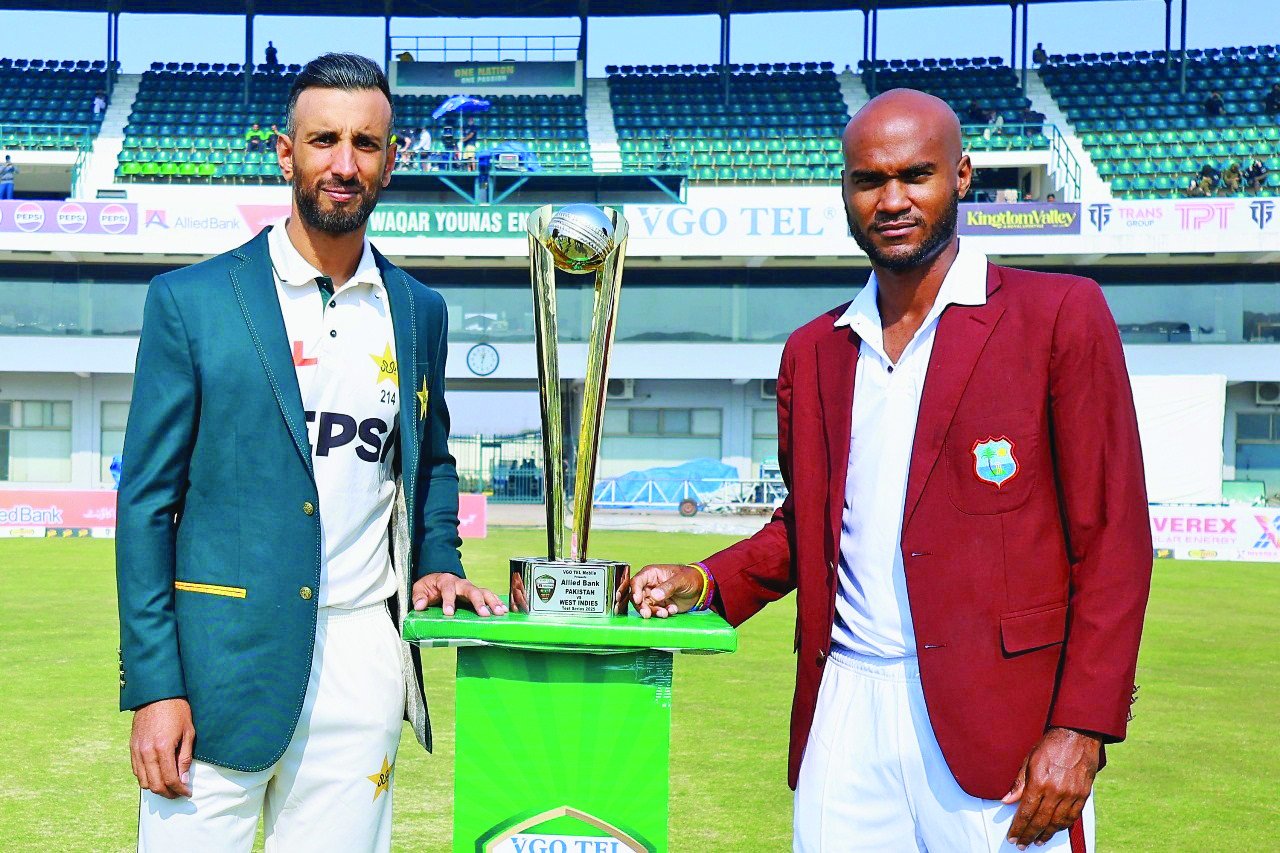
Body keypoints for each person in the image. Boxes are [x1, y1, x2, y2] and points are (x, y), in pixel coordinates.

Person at [630, 89, 1152, 852]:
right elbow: (811, 526)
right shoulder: (816, 350)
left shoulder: (1059, 316)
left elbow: (1113, 537)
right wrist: (706, 581)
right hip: (845, 706)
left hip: (1000, 721)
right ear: (845, 191)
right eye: (870, 180)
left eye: (917, 174)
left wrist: (1082, 726)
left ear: (963, 175)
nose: (894, 199)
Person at [117, 52, 506, 851]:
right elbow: (147, 505)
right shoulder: (189, 302)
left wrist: (438, 555)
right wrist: (154, 685)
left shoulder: (418, 309)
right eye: (323, 140)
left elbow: (428, 460)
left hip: (365, 658)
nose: (343, 163)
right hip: (219, 666)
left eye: (365, 144)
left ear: (392, 161)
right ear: (286, 153)